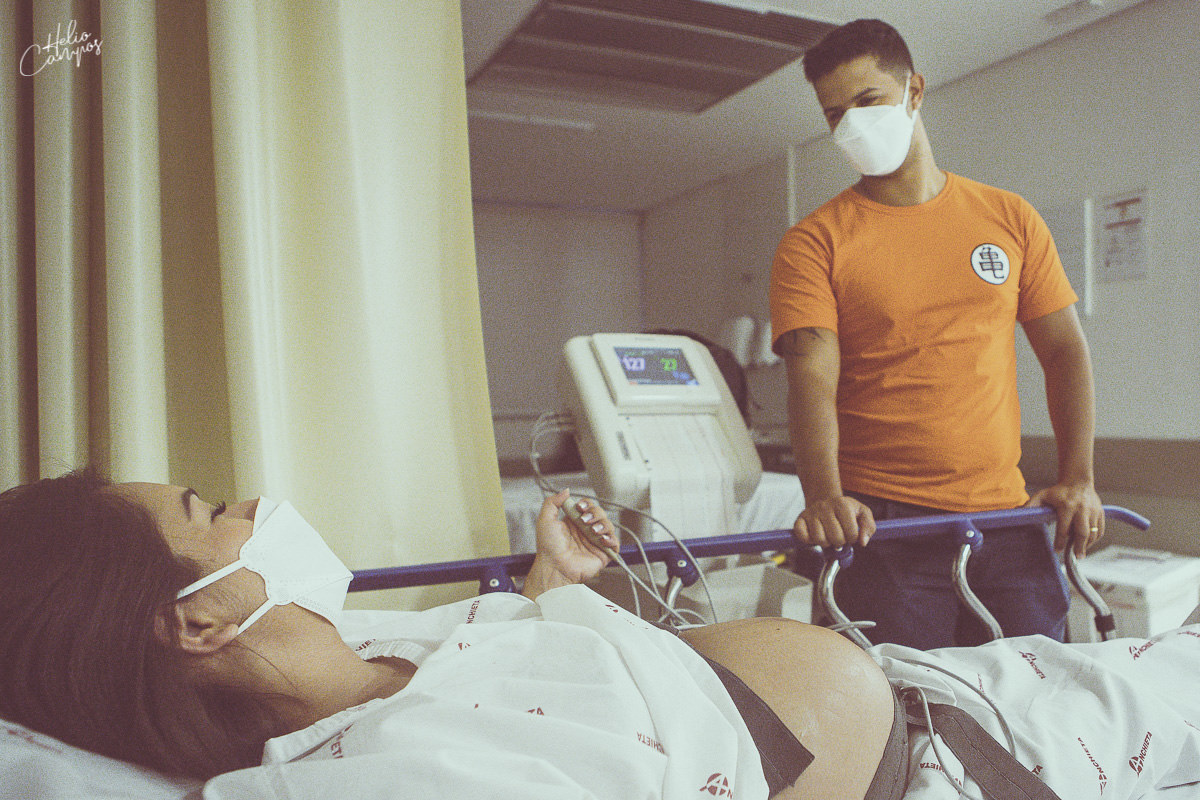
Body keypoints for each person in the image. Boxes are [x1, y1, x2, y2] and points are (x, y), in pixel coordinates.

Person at [3, 470, 1200, 800]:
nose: (256, 504)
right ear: (195, 617)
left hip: (945, 687)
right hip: (969, 766)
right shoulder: (349, 780)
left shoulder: (373, 642)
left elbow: (519, 681)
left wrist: (551, 584)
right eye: (210, 509)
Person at [769, 19, 1103, 648]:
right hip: (881, 526)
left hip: (1005, 518)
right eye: (835, 114)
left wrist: (1078, 477)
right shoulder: (815, 242)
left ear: (914, 91)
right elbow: (811, 376)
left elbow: (1064, 351)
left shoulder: (1008, 218)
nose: (853, 124)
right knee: (902, 697)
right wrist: (824, 496)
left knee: (1035, 690)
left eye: (868, 100)